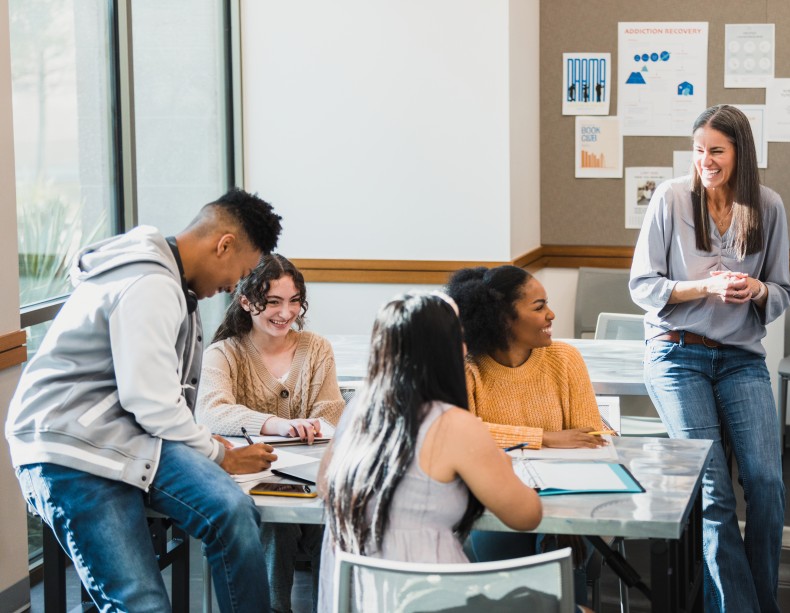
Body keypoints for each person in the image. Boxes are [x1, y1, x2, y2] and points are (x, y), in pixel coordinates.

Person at [6, 188, 283, 612]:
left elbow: (153, 402)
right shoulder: (150, 282)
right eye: (240, 272)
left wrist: (207, 446)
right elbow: (150, 400)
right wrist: (217, 454)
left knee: (233, 512)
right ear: (223, 244)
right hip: (71, 447)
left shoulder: (170, 282)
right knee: (142, 605)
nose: (233, 287)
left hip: (128, 436)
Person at [629, 104, 790, 613]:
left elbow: (783, 291)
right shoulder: (670, 198)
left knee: (766, 484)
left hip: (740, 358)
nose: (705, 160)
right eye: (699, 150)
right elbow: (642, 285)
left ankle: (758, 601)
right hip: (677, 355)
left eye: (716, 151)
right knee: (714, 494)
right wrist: (704, 286)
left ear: (740, 153)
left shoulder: (768, 207)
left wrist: (758, 288)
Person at [316, 292, 543, 612]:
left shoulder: (357, 409)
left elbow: (324, 486)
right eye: (460, 338)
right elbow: (526, 515)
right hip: (432, 596)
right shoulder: (454, 425)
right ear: (448, 350)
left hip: (362, 597)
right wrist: (502, 466)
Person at [445, 264, 606, 608]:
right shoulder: (468, 366)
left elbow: (590, 435)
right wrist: (546, 438)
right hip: (493, 505)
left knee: (559, 548)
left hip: (565, 503)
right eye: (538, 307)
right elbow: (460, 436)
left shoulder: (565, 359)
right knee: (512, 586)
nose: (552, 314)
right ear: (502, 318)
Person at [197, 253, 345, 613]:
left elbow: (331, 411)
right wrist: (278, 425)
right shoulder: (224, 353)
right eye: (273, 301)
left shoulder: (316, 348)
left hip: (311, 478)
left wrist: (314, 427)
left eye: (294, 301)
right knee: (274, 527)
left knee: (336, 524)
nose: (286, 312)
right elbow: (212, 411)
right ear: (246, 302)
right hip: (255, 483)